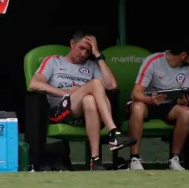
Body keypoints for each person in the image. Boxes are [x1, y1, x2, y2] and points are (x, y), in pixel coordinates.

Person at [29, 30, 137, 171]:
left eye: (88, 51)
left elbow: (112, 85)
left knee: (89, 100)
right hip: (61, 111)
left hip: (84, 115)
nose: (84, 54)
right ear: (72, 43)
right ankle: (113, 132)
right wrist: (64, 92)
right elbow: (34, 84)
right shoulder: (53, 61)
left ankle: (95, 160)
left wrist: (98, 55)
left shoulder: (91, 65)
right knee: (96, 84)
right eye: (81, 48)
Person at [126, 42, 189, 170]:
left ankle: (174, 160)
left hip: (169, 105)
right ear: (183, 55)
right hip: (147, 102)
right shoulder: (153, 61)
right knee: (137, 108)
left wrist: (183, 101)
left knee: (186, 112)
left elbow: (183, 92)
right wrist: (150, 99)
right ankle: (134, 159)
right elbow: (135, 94)